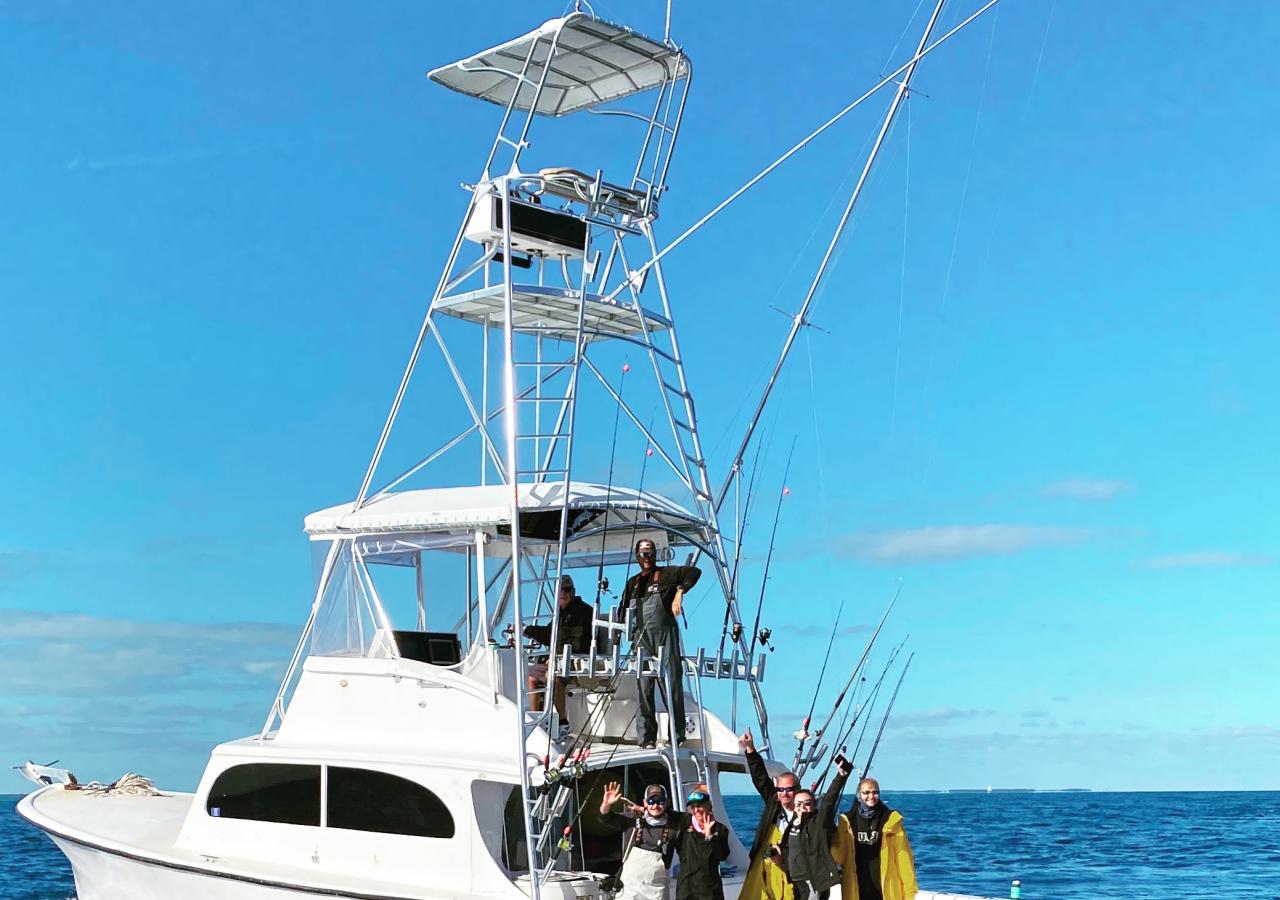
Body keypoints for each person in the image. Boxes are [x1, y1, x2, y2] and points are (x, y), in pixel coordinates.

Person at [620, 538, 701, 748]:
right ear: (637, 556)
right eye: (643, 554)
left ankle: (677, 735)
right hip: (640, 640)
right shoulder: (633, 583)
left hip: (665, 636)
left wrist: (679, 594)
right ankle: (646, 738)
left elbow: (693, 572)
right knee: (643, 687)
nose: (647, 558)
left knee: (671, 684)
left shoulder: (665, 574)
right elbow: (622, 612)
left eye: (651, 553)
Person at [599, 781, 731, 900]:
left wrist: (710, 836)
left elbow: (720, 852)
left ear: (667, 803)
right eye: (651, 801)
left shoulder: (678, 821)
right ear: (645, 802)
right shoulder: (632, 819)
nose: (655, 805)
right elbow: (605, 819)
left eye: (660, 801)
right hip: (630, 890)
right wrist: (606, 805)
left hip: (657, 891)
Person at [523, 575, 594, 740]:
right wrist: (525, 630)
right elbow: (549, 635)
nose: (563, 593)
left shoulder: (584, 611)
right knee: (532, 677)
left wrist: (555, 657)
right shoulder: (560, 614)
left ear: (573, 592)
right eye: (559, 590)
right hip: (559, 661)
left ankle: (562, 723)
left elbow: (576, 642)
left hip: (577, 662)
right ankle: (538, 721)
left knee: (552, 678)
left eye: (566, 590)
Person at [832, 777, 918, 900]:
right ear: (858, 795)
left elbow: (904, 859)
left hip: (886, 891)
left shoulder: (892, 820)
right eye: (866, 792)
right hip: (856, 891)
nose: (871, 796)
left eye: (875, 792)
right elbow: (839, 856)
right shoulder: (847, 821)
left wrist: (910, 892)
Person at [738, 728, 799, 900]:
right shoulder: (774, 802)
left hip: (791, 872)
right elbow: (760, 778)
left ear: (798, 790)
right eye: (780, 789)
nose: (784, 794)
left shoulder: (807, 813)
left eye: (789, 790)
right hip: (765, 870)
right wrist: (750, 749)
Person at [783, 754, 852, 900]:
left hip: (812, 880)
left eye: (807, 803)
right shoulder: (792, 823)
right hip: (795, 880)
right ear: (794, 806)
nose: (802, 807)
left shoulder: (818, 823)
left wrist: (840, 777)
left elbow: (828, 801)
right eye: (798, 804)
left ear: (813, 805)